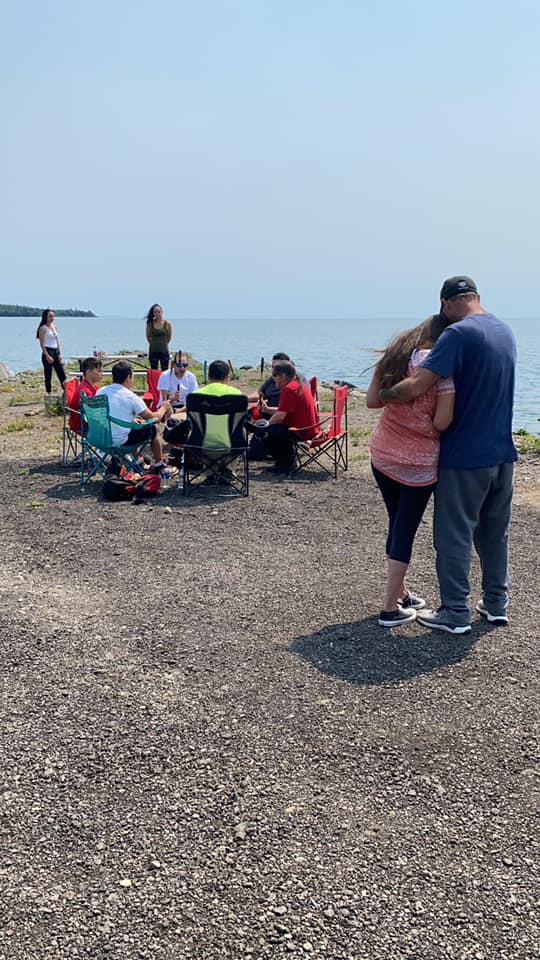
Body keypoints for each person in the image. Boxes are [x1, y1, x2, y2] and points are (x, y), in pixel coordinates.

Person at [380, 276, 518, 634]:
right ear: (476, 297)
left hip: (465, 456)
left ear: (446, 304)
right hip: (503, 454)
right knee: (494, 533)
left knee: (453, 536)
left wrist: (384, 395)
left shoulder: (458, 335)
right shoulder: (505, 331)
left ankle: (455, 613)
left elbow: (417, 385)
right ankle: (495, 603)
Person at [366, 315, 455, 627]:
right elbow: (442, 422)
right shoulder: (441, 370)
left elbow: (372, 402)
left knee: (396, 521)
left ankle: (402, 593)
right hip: (417, 463)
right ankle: (389, 608)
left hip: (382, 454)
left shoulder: (395, 358)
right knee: (405, 529)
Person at [97, 360, 172, 464]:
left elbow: (112, 413)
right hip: (120, 442)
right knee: (154, 428)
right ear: (128, 377)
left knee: (135, 425)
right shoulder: (130, 397)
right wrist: (164, 407)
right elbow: (154, 418)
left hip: (100, 439)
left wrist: (131, 420)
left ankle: (138, 461)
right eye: (132, 376)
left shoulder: (101, 391)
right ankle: (159, 464)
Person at [262, 361, 318, 474]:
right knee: (271, 429)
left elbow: (280, 417)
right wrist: (267, 410)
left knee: (268, 433)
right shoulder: (297, 384)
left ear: (283, 376)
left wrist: (265, 427)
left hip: (301, 431)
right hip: (308, 427)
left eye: (274, 375)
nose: (273, 379)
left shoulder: (289, 389)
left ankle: (285, 464)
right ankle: (286, 462)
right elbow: (285, 411)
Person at [69, 357, 104, 433]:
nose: (102, 374)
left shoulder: (94, 387)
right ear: (88, 372)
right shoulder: (85, 391)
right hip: (83, 426)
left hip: (87, 423)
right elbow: (92, 415)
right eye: (99, 371)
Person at [36, 309, 66, 394]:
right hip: (48, 351)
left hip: (55, 351)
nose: (52, 318)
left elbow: (57, 341)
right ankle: (49, 393)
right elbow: (42, 343)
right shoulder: (43, 328)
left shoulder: (54, 327)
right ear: (45, 317)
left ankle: (67, 392)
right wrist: (47, 355)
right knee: (48, 374)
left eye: (53, 316)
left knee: (61, 373)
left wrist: (60, 353)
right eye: (50, 316)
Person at [145, 304, 172, 370]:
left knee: (165, 371)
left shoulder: (167, 323)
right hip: (153, 351)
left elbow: (169, 337)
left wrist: (163, 344)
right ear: (153, 313)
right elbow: (148, 337)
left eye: (158, 312)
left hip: (164, 351)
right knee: (154, 371)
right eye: (155, 312)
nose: (157, 313)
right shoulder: (150, 324)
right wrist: (153, 343)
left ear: (162, 312)